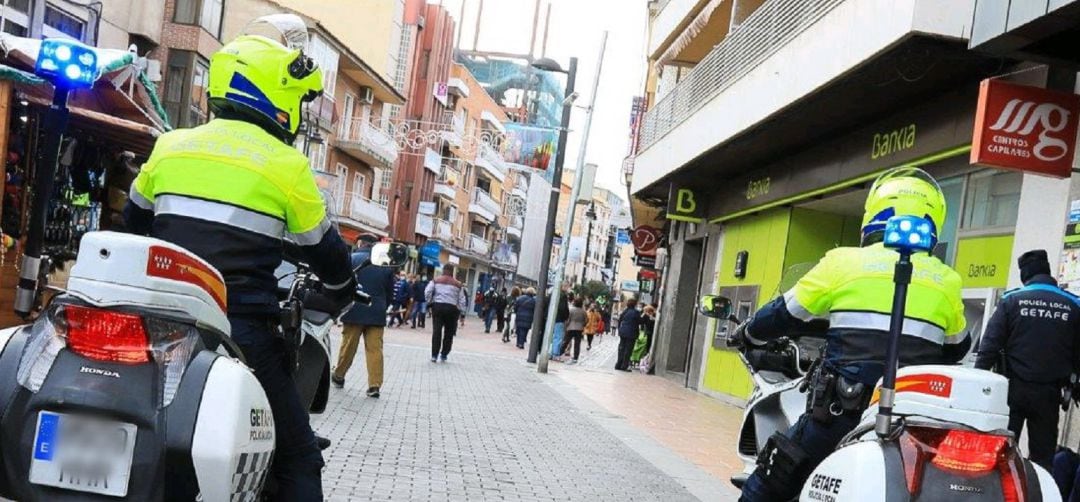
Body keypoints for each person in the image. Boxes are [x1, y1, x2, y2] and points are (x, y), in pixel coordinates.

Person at [121, 15, 352, 499]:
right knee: (299, 457)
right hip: (236, 327)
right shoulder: (286, 164)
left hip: (152, 320)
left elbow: (134, 223)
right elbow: (326, 251)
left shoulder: (170, 145)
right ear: (276, 94)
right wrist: (341, 286)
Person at [739, 168, 968, 502]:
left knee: (771, 478)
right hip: (912, 427)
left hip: (840, 414)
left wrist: (751, 334)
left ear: (874, 210)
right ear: (934, 219)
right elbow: (958, 347)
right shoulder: (947, 280)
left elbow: (784, 313)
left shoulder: (843, 262)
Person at [975, 249, 1080, 470]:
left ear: (1025, 274)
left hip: (1011, 390)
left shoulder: (1012, 300)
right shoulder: (1073, 304)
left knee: (1000, 452)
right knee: (1042, 460)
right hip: (1049, 394)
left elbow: (989, 346)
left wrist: (979, 384)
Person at [333, 234, 395, 398]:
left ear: (360, 243)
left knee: (348, 347)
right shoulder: (385, 263)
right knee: (375, 350)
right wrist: (383, 306)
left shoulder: (350, 259)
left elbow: (341, 282)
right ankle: (374, 385)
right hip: (376, 312)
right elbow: (390, 292)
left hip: (354, 309)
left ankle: (339, 375)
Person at [426, 265, 467, 362]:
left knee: (437, 331)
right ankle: (444, 354)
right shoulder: (458, 284)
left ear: (443, 270)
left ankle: (434, 355)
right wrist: (462, 312)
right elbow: (462, 299)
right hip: (452, 309)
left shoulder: (435, 281)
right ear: (452, 272)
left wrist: (430, 302)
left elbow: (427, 291)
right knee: (449, 333)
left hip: (438, 307)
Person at [616, 299, 642, 371]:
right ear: (635, 305)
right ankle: (624, 365)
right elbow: (640, 322)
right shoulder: (636, 312)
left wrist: (620, 329)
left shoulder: (625, 311)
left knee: (621, 348)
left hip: (623, 332)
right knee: (628, 350)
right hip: (631, 333)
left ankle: (618, 364)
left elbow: (619, 320)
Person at [564, 298, 587, 363]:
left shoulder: (571, 310)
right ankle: (575, 357)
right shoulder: (583, 311)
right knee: (577, 343)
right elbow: (586, 320)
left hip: (571, 327)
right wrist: (583, 325)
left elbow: (568, 319)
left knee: (566, 341)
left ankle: (561, 352)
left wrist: (567, 325)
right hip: (579, 329)